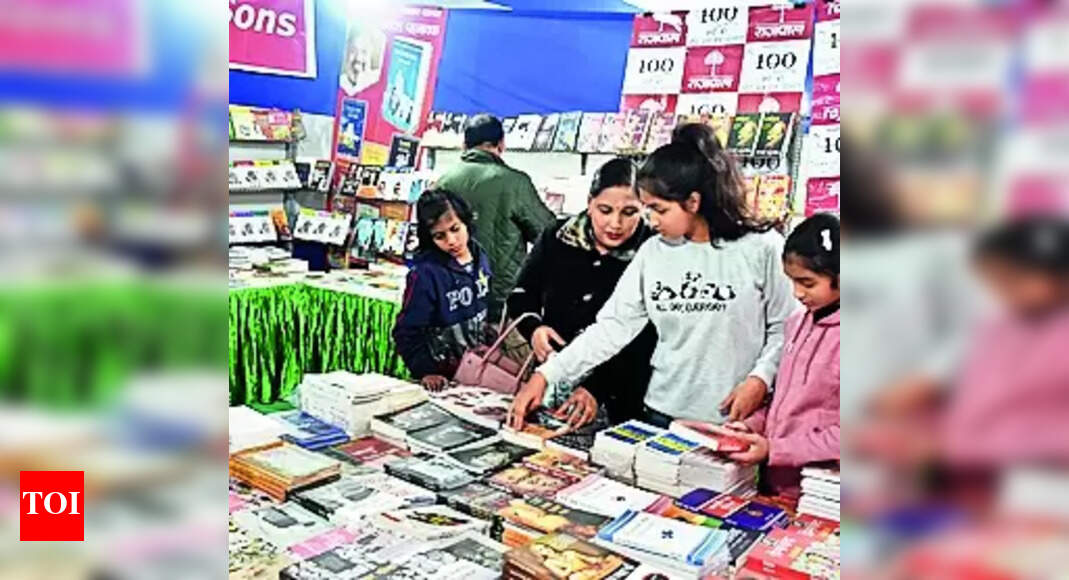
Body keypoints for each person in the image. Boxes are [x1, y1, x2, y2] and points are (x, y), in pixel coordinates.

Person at [508, 141, 796, 429]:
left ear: (693, 202)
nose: (651, 221)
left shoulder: (762, 248)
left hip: (734, 418)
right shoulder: (653, 253)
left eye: (658, 209)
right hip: (660, 413)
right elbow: (613, 327)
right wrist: (547, 375)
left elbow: (787, 328)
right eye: (647, 209)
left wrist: (760, 379)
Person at [689, 214, 841, 498]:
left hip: (823, 494)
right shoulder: (797, 324)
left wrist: (775, 449)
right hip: (774, 484)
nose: (796, 293)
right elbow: (785, 401)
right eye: (792, 281)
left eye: (807, 283)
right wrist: (749, 427)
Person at [507, 158, 657, 426]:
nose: (615, 223)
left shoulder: (652, 251)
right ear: (589, 203)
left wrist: (597, 388)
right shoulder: (557, 237)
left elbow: (646, 336)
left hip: (624, 394)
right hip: (552, 383)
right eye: (605, 210)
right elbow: (521, 295)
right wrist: (535, 330)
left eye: (629, 212)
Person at [435, 114, 556, 321]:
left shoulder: (442, 183)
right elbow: (548, 235)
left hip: (451, 299)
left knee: (458, 353)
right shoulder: (514, 182)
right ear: (501, 144)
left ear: (464, 144)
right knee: (499, 354)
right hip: (499, 303)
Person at [393, 189, 492, 391]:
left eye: (455, 229)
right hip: (443, 377)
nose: (451, 241)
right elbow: (406, 330)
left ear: (467, 222)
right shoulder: (425, 275)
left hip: (479, 366)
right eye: (440, 236)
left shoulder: (479, 254)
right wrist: (425, 371)